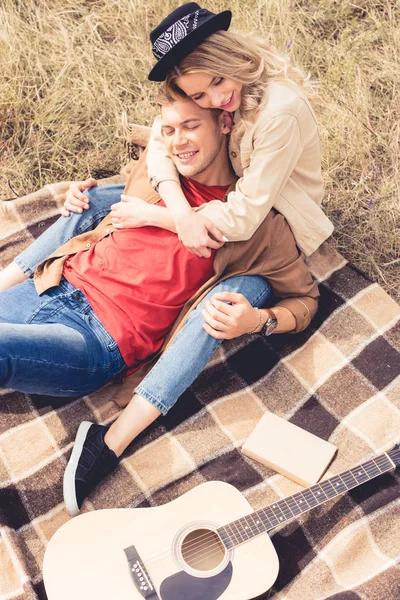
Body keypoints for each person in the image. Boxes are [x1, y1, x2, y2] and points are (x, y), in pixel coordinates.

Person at [0, 93, 318, 516]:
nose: (178, 142)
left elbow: (305, 299)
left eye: (191, 126)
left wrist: (258, 320)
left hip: (93, 338)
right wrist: (80, 198)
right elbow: (103, 202)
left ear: (225, 124)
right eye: (168, 131)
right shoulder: (154, 175)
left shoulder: (254, 227)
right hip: (48, 285)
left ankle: (106, 443)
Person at [145, 2, 333, 259]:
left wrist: (159, 218)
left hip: (274, 220)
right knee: (98, 208)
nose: (217, 98)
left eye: (218, 81)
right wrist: (180, 212)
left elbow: (245, 218)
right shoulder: (201, 83)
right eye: (200, 95)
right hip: (220, 191)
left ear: (229, 58)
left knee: (214, 292)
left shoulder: (280, 112)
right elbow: (158, 138)